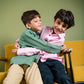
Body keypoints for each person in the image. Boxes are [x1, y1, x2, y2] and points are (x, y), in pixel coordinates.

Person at [13, 9, 75, 84]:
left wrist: (63, 48)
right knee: (47, 77)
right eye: (58, 23)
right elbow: (31, 34)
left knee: (63, 77)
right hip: (42, 60)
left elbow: (52, 48)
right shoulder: (44, 29)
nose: (59, 27)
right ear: (54, 20)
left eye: (64, 26)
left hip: (55, 60)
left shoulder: (61, 38)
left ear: (66, 28)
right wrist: (17, 41)